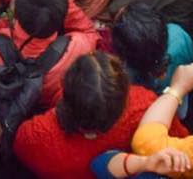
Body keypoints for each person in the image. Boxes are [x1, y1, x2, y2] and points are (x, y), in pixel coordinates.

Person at [14, 51, 168, 179]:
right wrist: (176, 92)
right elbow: (177, 149)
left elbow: (18, 148)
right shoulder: (146, 107)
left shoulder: (33, 137)